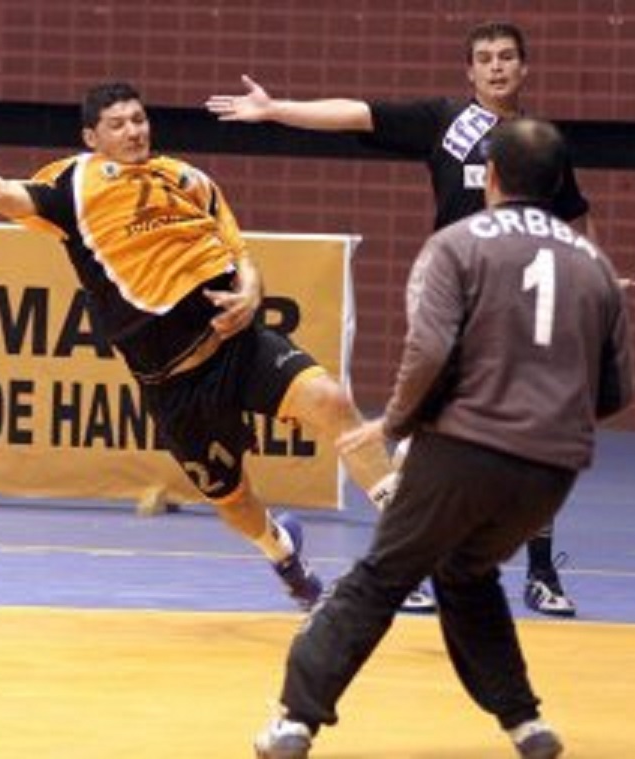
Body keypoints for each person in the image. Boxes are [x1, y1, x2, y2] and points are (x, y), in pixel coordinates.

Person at [0, 81, 400, 612]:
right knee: (233, 500)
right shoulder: (74, 187)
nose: (134, 131)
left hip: (238, 346)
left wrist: (251, 290)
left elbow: (240, 252)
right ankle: (283, 554)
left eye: (139, 119)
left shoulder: (187, 179)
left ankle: (409, 541)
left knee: (332, 402)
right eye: (119, 124)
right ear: (91, 136)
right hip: (176, 384)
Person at [250, 118, 634, 759]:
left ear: (490, 176)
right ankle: (526, 726)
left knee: (380, 576)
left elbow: (428, 349)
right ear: (562, 183)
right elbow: (617, 392)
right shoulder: (596, 266)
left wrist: (394, 423)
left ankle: (294, 722)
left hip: (464, 449)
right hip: (552, 471)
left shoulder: (459, 244)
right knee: (466, 572)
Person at [206, 20, 589, 617]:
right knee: (419, 441)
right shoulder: (446, 124)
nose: (495, 67)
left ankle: (542, 575)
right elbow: (358, 113)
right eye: (484, 59)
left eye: (506, 58)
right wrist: (276, 108)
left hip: (521, 314)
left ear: (523, 68)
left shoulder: (541, 142)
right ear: (470, 71)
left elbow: (570, 219)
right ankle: (407, 567)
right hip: (454, 308)